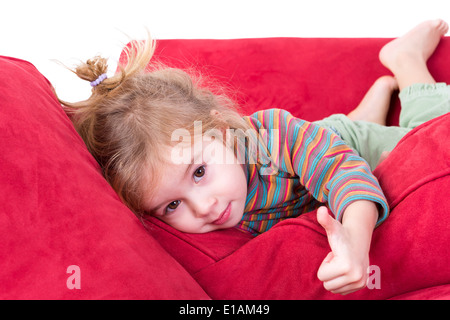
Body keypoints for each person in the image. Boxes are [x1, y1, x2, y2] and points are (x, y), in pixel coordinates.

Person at [57, 19, 449, 295]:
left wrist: (357, 240)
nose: (205, 207)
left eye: (198, 172)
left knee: (430, 129)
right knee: (326, 134)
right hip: (314, 143)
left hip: (341, 145)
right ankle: (374, 99)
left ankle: (404, 61)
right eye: (172, 204)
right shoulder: (212, 183)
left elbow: (341, 172)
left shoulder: (270, 139)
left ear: (224, 131)